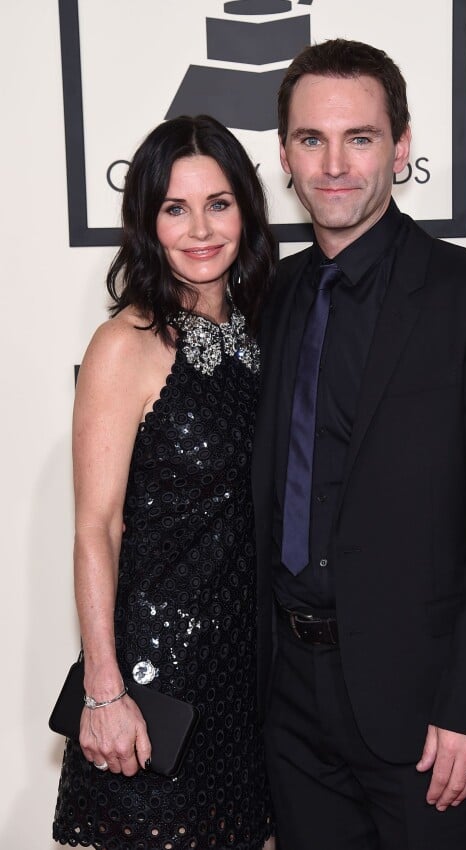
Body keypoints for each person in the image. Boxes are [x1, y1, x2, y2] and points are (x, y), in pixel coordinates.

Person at [252, 39, 466, 850]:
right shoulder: (273, 297)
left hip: (427, 714)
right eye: (312, 139)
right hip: (290, 708)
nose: (335, 163)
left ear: (402, 146)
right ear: (285, 156)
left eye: (361, 137)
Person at [53, 114, 276, 850]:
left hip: (244, 683)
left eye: (218, 203)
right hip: (154, 682)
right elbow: (97, 525)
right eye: (175, 208)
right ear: (148, 222)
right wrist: (104, 689)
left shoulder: (258, 337)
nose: (200, 229)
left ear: (245, 208)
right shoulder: (129, 341)